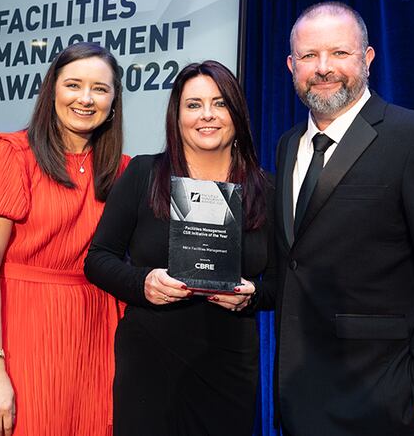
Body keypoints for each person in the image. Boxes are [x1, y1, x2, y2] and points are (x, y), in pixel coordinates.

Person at [272, 2, 414, 435]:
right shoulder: (288, 145)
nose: (323, 67)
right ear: (292, 66)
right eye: (309, 56)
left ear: (367, 59)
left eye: (339, 53)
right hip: (296, 396)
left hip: (381, 399)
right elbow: (295, 261)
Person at [84, 60, 273, 436]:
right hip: (150, 360)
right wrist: (144, 283)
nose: (207, 115)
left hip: (230, 365)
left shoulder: (265, 189)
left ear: (237, 114)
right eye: (193, 104)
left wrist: (252, 296)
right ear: (177, 115)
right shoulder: (143, 174)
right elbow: (97, 259)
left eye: (220, 103)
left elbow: (285, 281)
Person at [0, 42, 129, 436]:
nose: (86, 98)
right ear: (52, 91)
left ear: (114, 101)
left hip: (96, 335)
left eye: (100, 89)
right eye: (73, 85)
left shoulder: (123, 171)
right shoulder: (12, 155)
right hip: (25, 333)